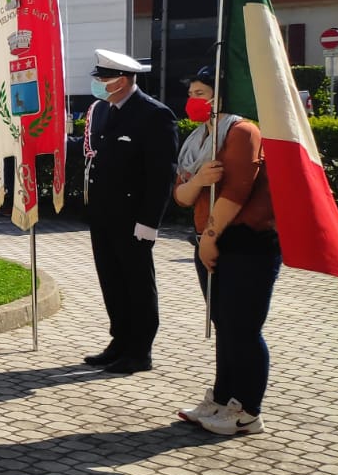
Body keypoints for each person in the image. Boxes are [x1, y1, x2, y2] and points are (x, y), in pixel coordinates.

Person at [171, 67, 278, 436]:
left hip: (247, 245)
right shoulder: (199, 138)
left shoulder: (243, 132)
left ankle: (247, 410)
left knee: (243, 328)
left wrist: (211, 236)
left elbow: (236, 191)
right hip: (211, 240)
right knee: (224, 325)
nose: (193, 101)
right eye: (192, 93)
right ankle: (221, 398)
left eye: (201, 93)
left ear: (221, 96)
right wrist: (200, 180)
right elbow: (182, 195)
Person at [78, 49, 179, 374]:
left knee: (137, 284)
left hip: (133, 219)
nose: (98, 83)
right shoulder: (104, 110)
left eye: (103, 78)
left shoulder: (154, 115)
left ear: (121, 81)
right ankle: (119, 341)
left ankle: (140, 350)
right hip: (104, 215)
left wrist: (149, 222)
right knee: (112, 281)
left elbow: (161, 174)